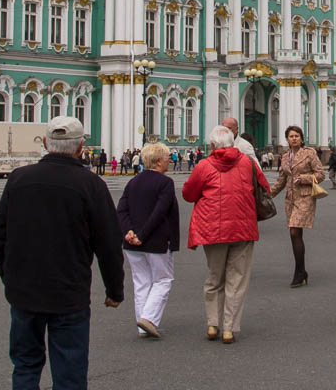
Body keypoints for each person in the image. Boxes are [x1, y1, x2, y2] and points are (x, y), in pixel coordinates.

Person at [0, 116, 124, 390]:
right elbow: (108, 244)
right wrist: (114, 290)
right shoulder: (91, 185)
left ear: (45, 142)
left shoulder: (19, 179)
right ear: (81, 147)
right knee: (70, 371)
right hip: (69, 293)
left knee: (25, 365)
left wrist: (10, 279)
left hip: (24, 293)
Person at [182, 125, 269, 344]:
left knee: (214, 277)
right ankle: (229, 329)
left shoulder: (204, 165)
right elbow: (263, 186)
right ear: (233, 142)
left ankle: (213, 324)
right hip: (243, 228)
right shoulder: (248, 163)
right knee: (236, 280)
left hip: (212, 229)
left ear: (213, 145)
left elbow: (188, 194)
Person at [117, 142, 179, 339]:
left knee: (141, 282)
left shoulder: (133, 182)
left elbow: (122, 210)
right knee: (163, 280)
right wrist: (142, 235)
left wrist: (129, 232)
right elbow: (159, 212)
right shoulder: (165, 183)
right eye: (167, 158)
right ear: (159, 161)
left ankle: (142, 326)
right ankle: (148, 319)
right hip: (156, 241)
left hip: (131, 243)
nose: (169, 161)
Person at [268, 125, 325, 288]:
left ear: (301, 138)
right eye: (291, 136)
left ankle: (299, 272)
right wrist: (269, 195)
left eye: (296, 136)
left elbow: (320, 174)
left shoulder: (309, 153)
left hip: (305, 197)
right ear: (287, 139)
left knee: (294, 230)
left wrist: (304, 178)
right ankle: (301, 270)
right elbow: (282, 179)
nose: (294, 139)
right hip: (291, 199)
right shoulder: (285, 157)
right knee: (295, 234)